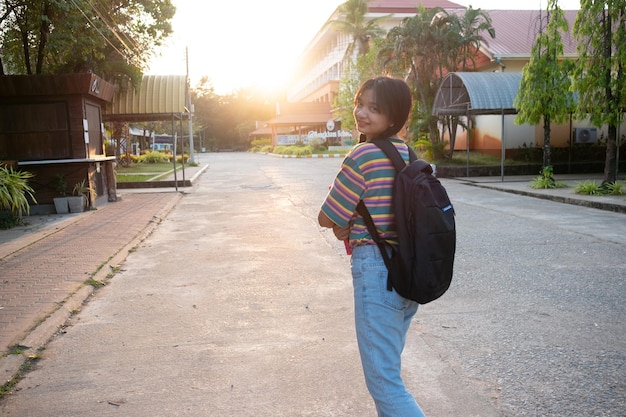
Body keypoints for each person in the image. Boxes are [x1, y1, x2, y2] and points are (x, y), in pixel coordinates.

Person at [318, 76, 426, 417]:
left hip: (377, 273)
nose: (361, 113)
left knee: (384, 383)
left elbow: (328, 216)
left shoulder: (364, 155)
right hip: (409, 273)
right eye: (359, 103)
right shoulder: (410, 156)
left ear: (393, 117)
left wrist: (343, 225)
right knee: (387, 374)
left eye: (374, 108)